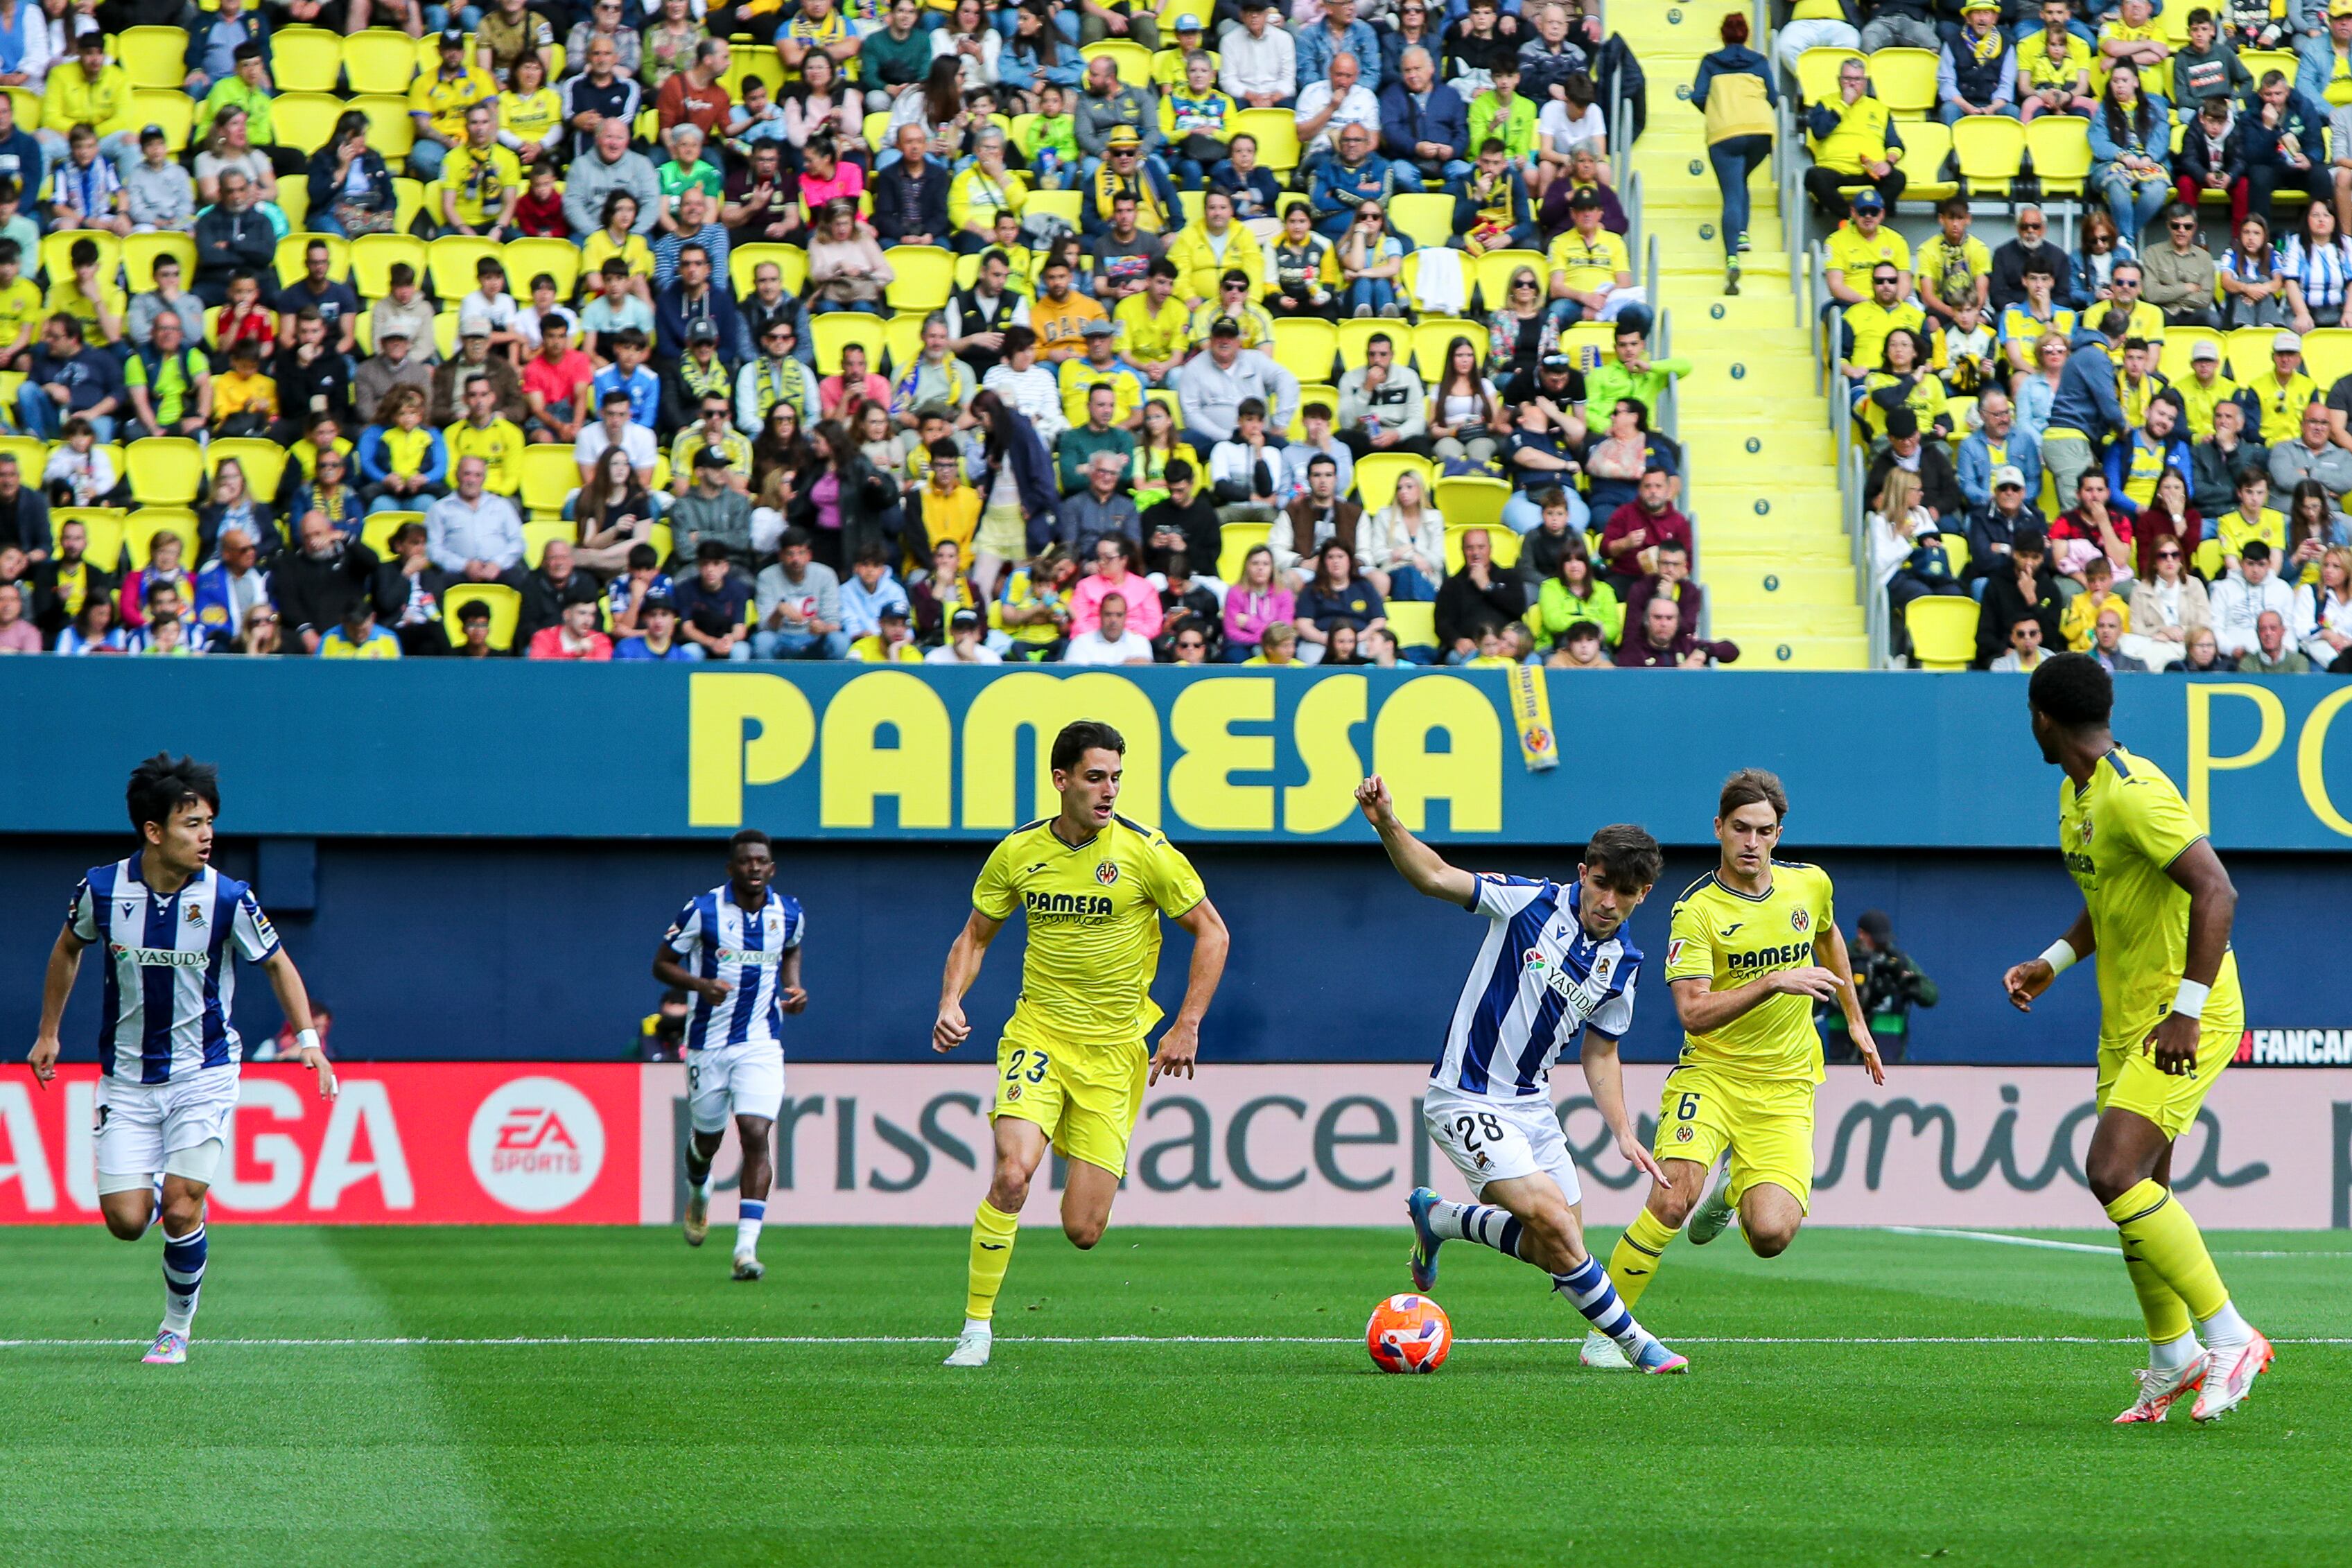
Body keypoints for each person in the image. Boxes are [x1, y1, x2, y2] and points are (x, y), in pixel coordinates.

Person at [1335, 774, 1697, 1377]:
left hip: (1532, 1109)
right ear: (1583, 872)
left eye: (1625, 892)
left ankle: (1441, 1218)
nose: (1608, 902)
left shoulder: (1624, 964)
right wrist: (1386, 824)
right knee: (1555, 1223)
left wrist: (1622, 1132)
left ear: (1644, 894)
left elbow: (1600, 1052)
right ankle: (1637, 1344)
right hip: (1464, 1096)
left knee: (1556, 1248)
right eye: (1601, 884)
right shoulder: (1528, 901)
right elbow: (1434, 877)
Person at [2001, 655, 2272, 1420]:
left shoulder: (2136, 791)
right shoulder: (2076, 792)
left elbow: (2217, 889)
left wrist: (2187, 1010)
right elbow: (2109, 896)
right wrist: (2053, 961)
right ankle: (2172, 1354)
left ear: (2042, 717)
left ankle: (2230, 1335)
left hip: (2186, 1016)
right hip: (2126, 1020)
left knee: (2113, 1172)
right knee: (2145, 1191)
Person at [934, 721, 1228, 1368]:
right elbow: (975, 936)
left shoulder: (1146, 853)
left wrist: (1186, 1024)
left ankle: (1072, 1160)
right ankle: (976, 1328)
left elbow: (1212, 933)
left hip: (1113, 1054)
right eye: (1096, 777)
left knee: (1083, 1231)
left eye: (1117, 778)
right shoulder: (1018, 852)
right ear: (1061, 780)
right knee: (1012, 1176)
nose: (1109, 791)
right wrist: (951, 1000)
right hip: (1035, 1035)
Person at [24, 755, 335, 1366]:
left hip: (204, 1072)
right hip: (128, 1079)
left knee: (183, 1200)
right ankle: (170, 1216)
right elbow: (68, 949)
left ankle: (175, 1327)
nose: (207, 834)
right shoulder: (103, 889)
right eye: (192, 822)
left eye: (210, 821)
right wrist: (48, 1033)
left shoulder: (227, 897)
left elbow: (275, 962)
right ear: (154, 831)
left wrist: (309, 1040)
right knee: (126, 1220)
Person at [1591, 769, 1882, 1361]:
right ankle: (1604, 1336)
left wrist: (1854, 1019)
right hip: (1713, 1075)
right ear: (1718, 828)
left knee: (1771, 1236)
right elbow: (1693, 1014)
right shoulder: (1695, 911)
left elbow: (1827, 938)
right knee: (1672, 1200)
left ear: (1779, 835)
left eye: (1764, 831)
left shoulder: (1809, 886)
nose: (1751, 842)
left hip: (1786, 1085)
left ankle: (1729, 1194)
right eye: (1741, 829)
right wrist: (1774, 980)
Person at [652, 829, 807, 1284]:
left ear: (771, 868)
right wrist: (701, 986)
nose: (754, 868)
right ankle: (698, 1188)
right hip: (708, 1044)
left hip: (761, 1042)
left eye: (761, 861)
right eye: (745, 862)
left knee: (756, 1132)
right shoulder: (702, 911)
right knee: (706, 1143)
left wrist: (793, 988)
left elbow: (791, 950)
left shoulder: (789, 912)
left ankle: (745, 1249)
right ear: (731, 868)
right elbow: (661, 963)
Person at [1691, 10, 1774, 294]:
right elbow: (1773, 97)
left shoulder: (1710, 62)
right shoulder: (1760, 61)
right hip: (1760, 130)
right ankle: (1742, 234)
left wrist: (1717, 109)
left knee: (1731, 193)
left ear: (1722, 35)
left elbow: (1698, 96)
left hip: (1725, 133)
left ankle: (1731, 258)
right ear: (1747, 34)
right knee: (1740, 183)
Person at [1803, 55, 1904, 220]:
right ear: (1839, 80)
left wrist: (1888, 163)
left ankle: (1871, 213)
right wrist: (1843, 104)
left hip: (1870, 170)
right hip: (1834, 169)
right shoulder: (1825, 103)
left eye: (1857, 79)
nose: (1852, 83)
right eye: (1847, 78)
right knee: (1814, 177)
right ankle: (1852, 218)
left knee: (1898, 178)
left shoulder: (1879, 108)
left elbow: (1896, 144)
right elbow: (1819, 132)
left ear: (1865, 82)